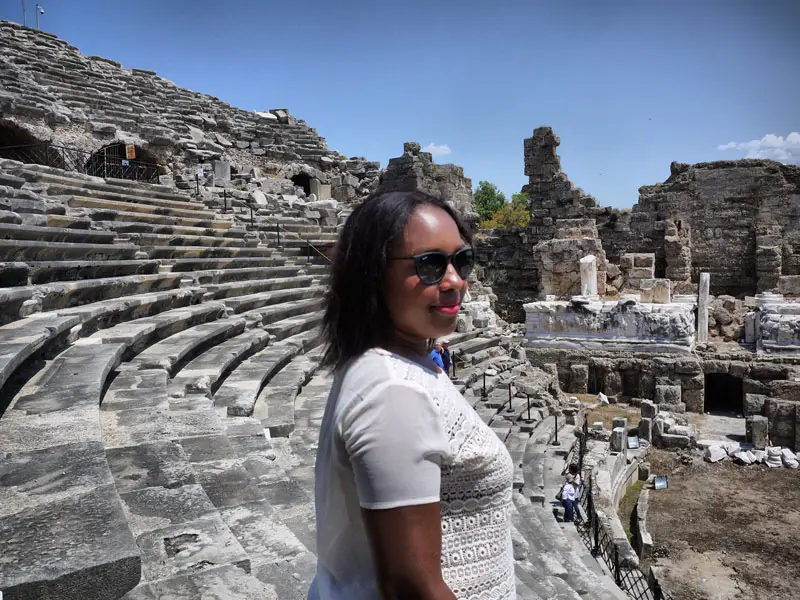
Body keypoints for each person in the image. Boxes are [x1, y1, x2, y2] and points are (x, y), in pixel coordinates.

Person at [309, 190, 516, 600]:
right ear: (372, 273)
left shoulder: (400, 363)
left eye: (463, 260)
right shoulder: (394, 391)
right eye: (430, 265)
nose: (456, 280)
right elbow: (412, 587)